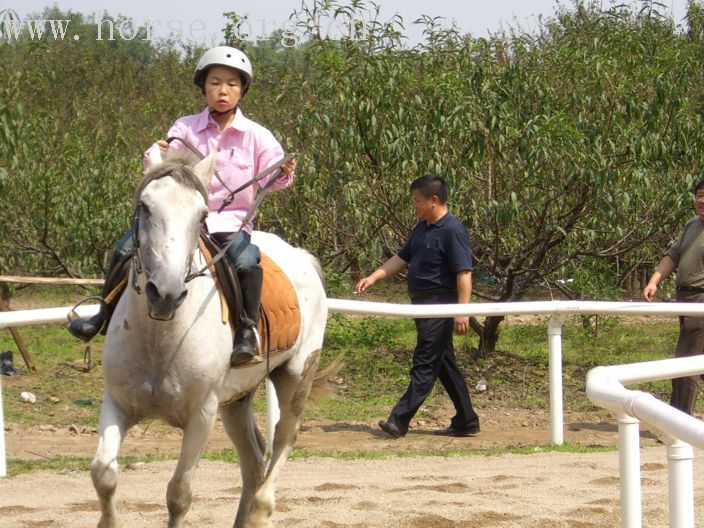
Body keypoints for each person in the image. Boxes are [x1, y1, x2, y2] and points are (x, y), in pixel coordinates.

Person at [68, 46, 296, 367]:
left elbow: (274, 178)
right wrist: (155, 153)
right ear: (203, 86)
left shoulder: (258, 136)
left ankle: (246, 331)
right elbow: (161, 167)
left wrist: (283, 173)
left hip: (229, 224)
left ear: (243, 90)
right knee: (124, 248)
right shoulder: (185, 127)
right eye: (215, 82)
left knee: (246, 261)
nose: (223, 90)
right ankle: (103, 313)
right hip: (180, 221)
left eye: (232, 84)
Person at [355, 174, 480, 438]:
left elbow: (464, 273)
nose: (415, 206)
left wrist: (461, 311)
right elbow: (402, 257)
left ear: (433, 200)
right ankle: (467, 420)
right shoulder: (422, 227)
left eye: (417, 201)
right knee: (443, 363)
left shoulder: (453, 230)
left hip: (439, 306)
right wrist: (374, 277)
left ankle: (399, 420)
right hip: (422, 305)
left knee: (424, 362)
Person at [643, 178, 704, 416]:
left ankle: (677, 422)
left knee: (685, 362)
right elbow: (672, 256)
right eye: (699, 195)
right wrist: (653, 281)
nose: (702, 200)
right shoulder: (691, 226)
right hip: (686, 301)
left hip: (700, 304)